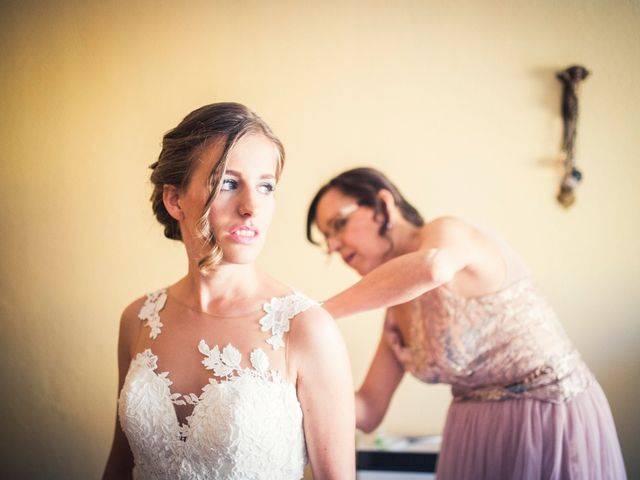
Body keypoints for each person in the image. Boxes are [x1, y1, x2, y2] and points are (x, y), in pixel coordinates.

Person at [306, 167, 626, 480]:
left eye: (339, 223)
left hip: (547, 417)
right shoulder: (395, 311)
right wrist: (299, 382)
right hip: (471, 435)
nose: (332, 245)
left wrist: (312, 315)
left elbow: (433, 268)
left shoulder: (446, 232)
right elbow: (369, 410)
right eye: (327, 238)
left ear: (383, 205)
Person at [103, 103, 355, 480]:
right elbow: (119, 466)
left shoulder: (304, 329)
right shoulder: (137, 320)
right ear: (175, 200)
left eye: (266, 186)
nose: (251, 207)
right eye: (228, 183)